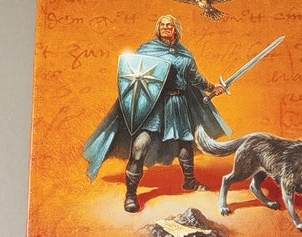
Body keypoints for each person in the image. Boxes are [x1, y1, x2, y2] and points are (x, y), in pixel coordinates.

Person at [82, 14, 230, 212]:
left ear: (176, 30)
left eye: (170, 25)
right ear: (158, 29)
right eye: (162, 25)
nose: (166, 27)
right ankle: (131, 194)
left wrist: (212, 87)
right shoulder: (146, 51)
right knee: (140, 144)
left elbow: (195, 78)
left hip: (177, 103)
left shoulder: (185, 55)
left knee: (185, 142)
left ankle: (189, 181)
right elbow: (134, 75)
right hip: (153, 104)